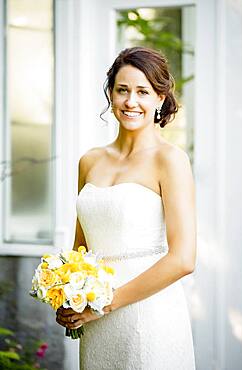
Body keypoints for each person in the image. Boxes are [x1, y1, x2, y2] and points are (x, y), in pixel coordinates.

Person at [56, 46, 197, 370]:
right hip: (96, 320)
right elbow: (81, 250)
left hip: (148, 314)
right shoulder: (90, 161)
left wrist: (104, 304)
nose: (131, 101)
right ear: (111, 94)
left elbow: (183, 259)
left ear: (160, 98)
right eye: (122, 90)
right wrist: (67, 297)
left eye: (142, 92)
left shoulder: (170, 160)